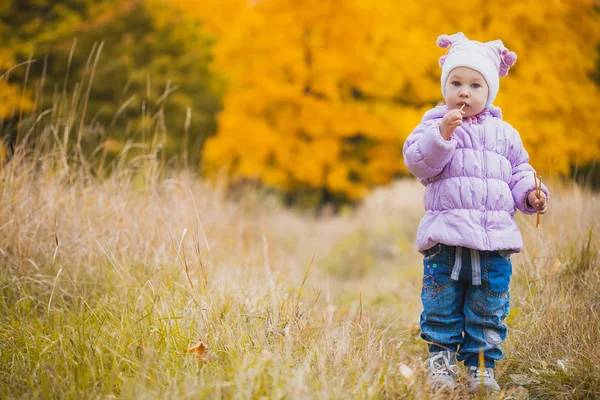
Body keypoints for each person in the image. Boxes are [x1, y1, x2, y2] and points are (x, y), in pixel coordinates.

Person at [402, 32, 549, 393]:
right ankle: (441, 361)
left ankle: (481, 368)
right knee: (441, 305)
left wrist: (532, 195)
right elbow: (418, 163)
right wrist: (442, 134)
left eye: (474, 85)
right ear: (445, 86)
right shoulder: (433, 124)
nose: (464, 92)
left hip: (494, 242)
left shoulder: (506, 134)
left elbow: (520, 172)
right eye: (456, 83)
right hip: (446, 239)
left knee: (489, 309)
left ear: (490, 92)